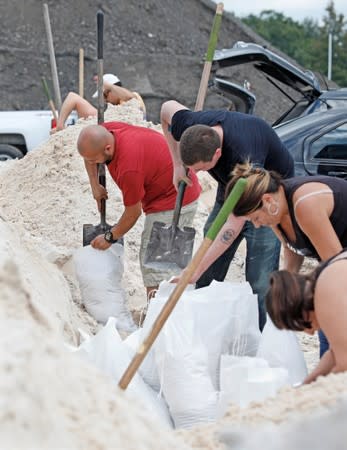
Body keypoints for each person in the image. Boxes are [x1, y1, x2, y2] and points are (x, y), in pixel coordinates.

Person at [160, 100, 294, 330]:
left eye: (202, 168)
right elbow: (166, 109)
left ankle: (263, 341)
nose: (199, 173)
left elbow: (232, 226)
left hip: (266, 199)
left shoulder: (245, 156)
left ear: (218, 153)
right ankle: (203, 330)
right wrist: (178, 164)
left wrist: (194, 268)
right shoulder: (189, 124)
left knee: (260, 281)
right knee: (207, 269)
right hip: (230, 188)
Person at [223, 162, 347, 355]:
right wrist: (282, 289)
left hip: (339, 263)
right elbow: (293, 248)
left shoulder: (305, 204)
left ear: (267, 200)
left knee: (330, 319)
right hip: (338, 262)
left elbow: (336, 268)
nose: (256, 225)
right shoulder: (277, 211)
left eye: (255, 218)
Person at [77, 122, 201, 298]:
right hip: (171, 187)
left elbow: (132, 213)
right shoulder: (107, 131)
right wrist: (94, 185)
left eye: (94, 161)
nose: (91, 163)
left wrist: (110, 237)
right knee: (162, 266)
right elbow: (88, 152)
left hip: (176, 199)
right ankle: (165, 311)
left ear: (107, 148)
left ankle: (158, 315)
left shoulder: (129, 168)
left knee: (158, 267)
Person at [265, 249, 347, 384]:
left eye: (301, 325)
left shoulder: (326, 290)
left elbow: (344, 364)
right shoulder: (323, 278)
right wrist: (306, 386)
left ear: (302, 312)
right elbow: (334, 353)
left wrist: (314, 395)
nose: (311, 332)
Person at [56, 73, 146, 131]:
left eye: (105, 95)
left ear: (112, 90)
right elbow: (72, 98)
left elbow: (130, 97)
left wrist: (109, 86)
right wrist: (60, 126)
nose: (105, 100)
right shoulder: (115, 111)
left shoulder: (132, 100)